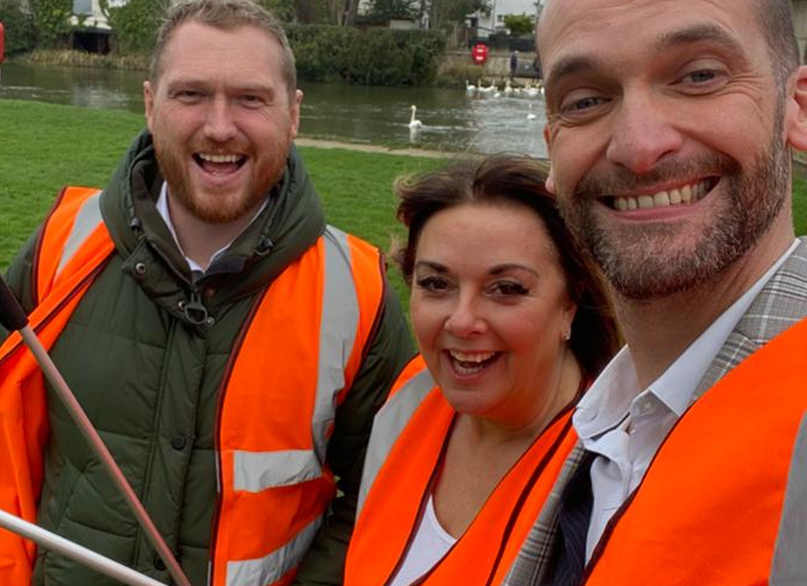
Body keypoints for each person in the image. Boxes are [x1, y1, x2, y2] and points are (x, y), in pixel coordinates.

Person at [0, 1, 414, 584]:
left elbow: (388, 495)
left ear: (294, 114)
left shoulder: (357, 291)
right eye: (190, 95)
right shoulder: (62, 245)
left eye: (250, 98)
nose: (218, 126)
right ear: (149, 104)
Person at [504, 0, 807, 584]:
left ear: (795, 109)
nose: (639, 147)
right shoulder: (601, 422)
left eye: (699, 76)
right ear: (551, 146)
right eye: (585, 101)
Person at [345, 154, 619, 585]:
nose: (461, 321)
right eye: (437, 284)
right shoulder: (410, 397)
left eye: (506, 289)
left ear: (570, 303)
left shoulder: (613, 475)